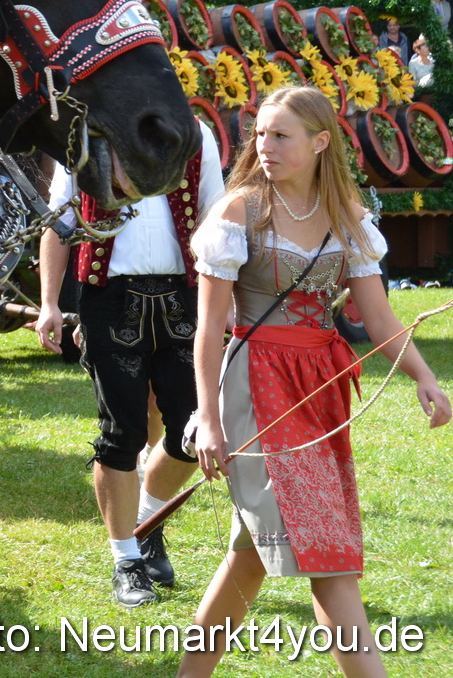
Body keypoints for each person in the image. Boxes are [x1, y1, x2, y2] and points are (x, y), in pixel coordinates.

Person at [179, 86, 450, 677]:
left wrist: (424, 376)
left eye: (281, 135)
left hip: (317, 389)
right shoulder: (238, 212)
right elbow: (207, 334)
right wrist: (207, 417)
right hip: (254, 387)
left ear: (321, 142)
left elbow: (378, 320)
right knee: (327, 554)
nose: (264, 145)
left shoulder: (348, 217)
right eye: (260, 134)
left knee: (252, 556)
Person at [37, 121, 225, 606]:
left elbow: (215, 218)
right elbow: (61, 222)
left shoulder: (194, 132)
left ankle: (145, 523)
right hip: (109, 298)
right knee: (121, 435)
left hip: (184, 296)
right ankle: (126, 561)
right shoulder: (81, 134)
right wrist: (49, 304)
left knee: (191, 434)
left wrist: (228, 304)